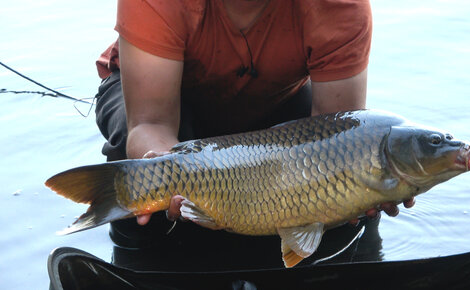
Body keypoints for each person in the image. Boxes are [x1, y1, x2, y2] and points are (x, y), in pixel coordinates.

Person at [95, 0, 414, 269]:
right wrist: (164, 170)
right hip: (158, 99)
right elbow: (150, 125)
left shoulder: (338, 6)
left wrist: (361, 189)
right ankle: (135, 251)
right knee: (137, 168)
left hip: (277, 101)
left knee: (346, 203)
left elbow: (338, 142)